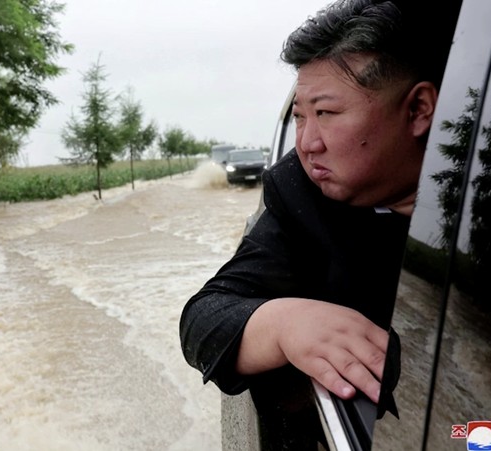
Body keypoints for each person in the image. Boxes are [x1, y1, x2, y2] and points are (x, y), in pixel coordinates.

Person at [179, 0, 460, 448]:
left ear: (419, 110)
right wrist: (283, 323)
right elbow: (204, 320)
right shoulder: (301, 197)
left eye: (326, 114)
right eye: (299, 117)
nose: (307, 144)